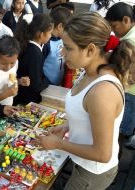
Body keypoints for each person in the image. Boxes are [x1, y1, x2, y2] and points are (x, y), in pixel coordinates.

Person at [36, 12, 135, 190]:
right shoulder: (88, 71)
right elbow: (88, 116)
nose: (62, 52)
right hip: (82, 164)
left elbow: (103, 153)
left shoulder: (102, 91)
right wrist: (67, 126)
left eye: (68, 48)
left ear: (90, 49)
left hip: (91, 173)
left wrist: (59, 144)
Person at [106, 2, 135, 148]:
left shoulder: (129, 42)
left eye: (114, 26)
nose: (113, 31)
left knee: (119, 131)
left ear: (126, 20)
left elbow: (128, 72)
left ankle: (116, 156)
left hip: (130, 92)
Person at [14, 13, 53, 104]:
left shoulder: (27, 44)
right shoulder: (35, 53)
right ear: (41, 34)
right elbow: (36, 85)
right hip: (28, 100)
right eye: (50, 33)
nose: (51, 36)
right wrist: (47, 81)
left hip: (21, 94)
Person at [0, 35, 30, 106]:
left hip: (9, 106)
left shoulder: (15, 62)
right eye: (3, 63)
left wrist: (19, 81)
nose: (8, 67)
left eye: (12, 63)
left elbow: (12, 79)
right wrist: (4, 95)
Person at [43, 7, 71, 86]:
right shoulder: (46, 43)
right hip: (47, 85)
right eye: (66, 28)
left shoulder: (62, 39)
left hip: (58, 83)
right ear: (60, 26)